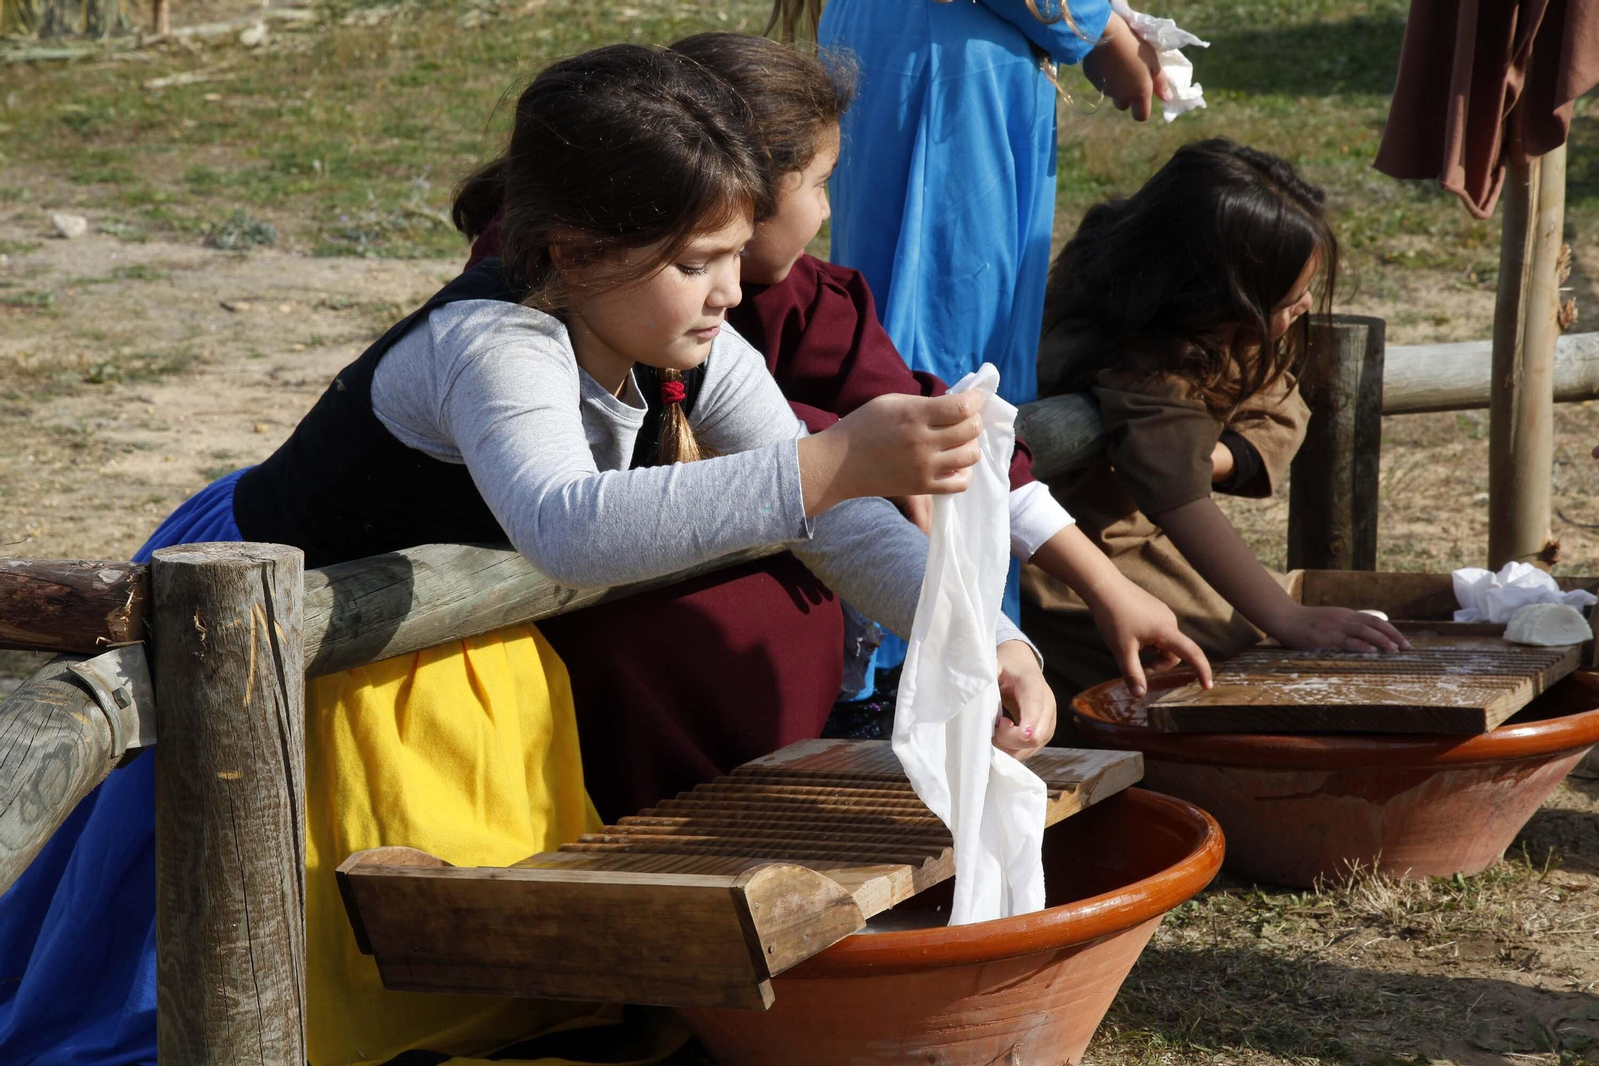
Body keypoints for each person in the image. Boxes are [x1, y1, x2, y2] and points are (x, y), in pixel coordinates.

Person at [1, 44, 1050, 1066]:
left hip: (435, 631)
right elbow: (567, 521)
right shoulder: (491, 346)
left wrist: (977, 634)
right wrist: (826, 462)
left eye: (734, 254)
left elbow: (828, 522)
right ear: (578, 251)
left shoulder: (693, 342)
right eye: (696, 262)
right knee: (207, 934)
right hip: (273, 619)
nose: (731, 290)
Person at [464, 30, 1211, 699]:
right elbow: (566, 523)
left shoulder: (762, 323)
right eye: (818, 184)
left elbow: (885, 466)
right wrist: (837, 455)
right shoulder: (501, 332)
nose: (827, 213)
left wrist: (995, 637)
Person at [789, 0, 1172, 685]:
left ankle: (957, 654)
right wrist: (1092, 24)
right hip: (949, 58)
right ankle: (935, 667)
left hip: (925, 40)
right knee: (947, 363)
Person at [1022, 139, 1412, 699]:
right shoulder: (1143, 363)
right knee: (1227, 669)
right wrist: (1286, 617)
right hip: (1078, 565)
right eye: (1290, 298)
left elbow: (1279, 406)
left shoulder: (1212, 322)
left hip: (1149, 545)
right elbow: (1181, 503)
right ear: (1220, 295)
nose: (1303, 307)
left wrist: (1215, 458)